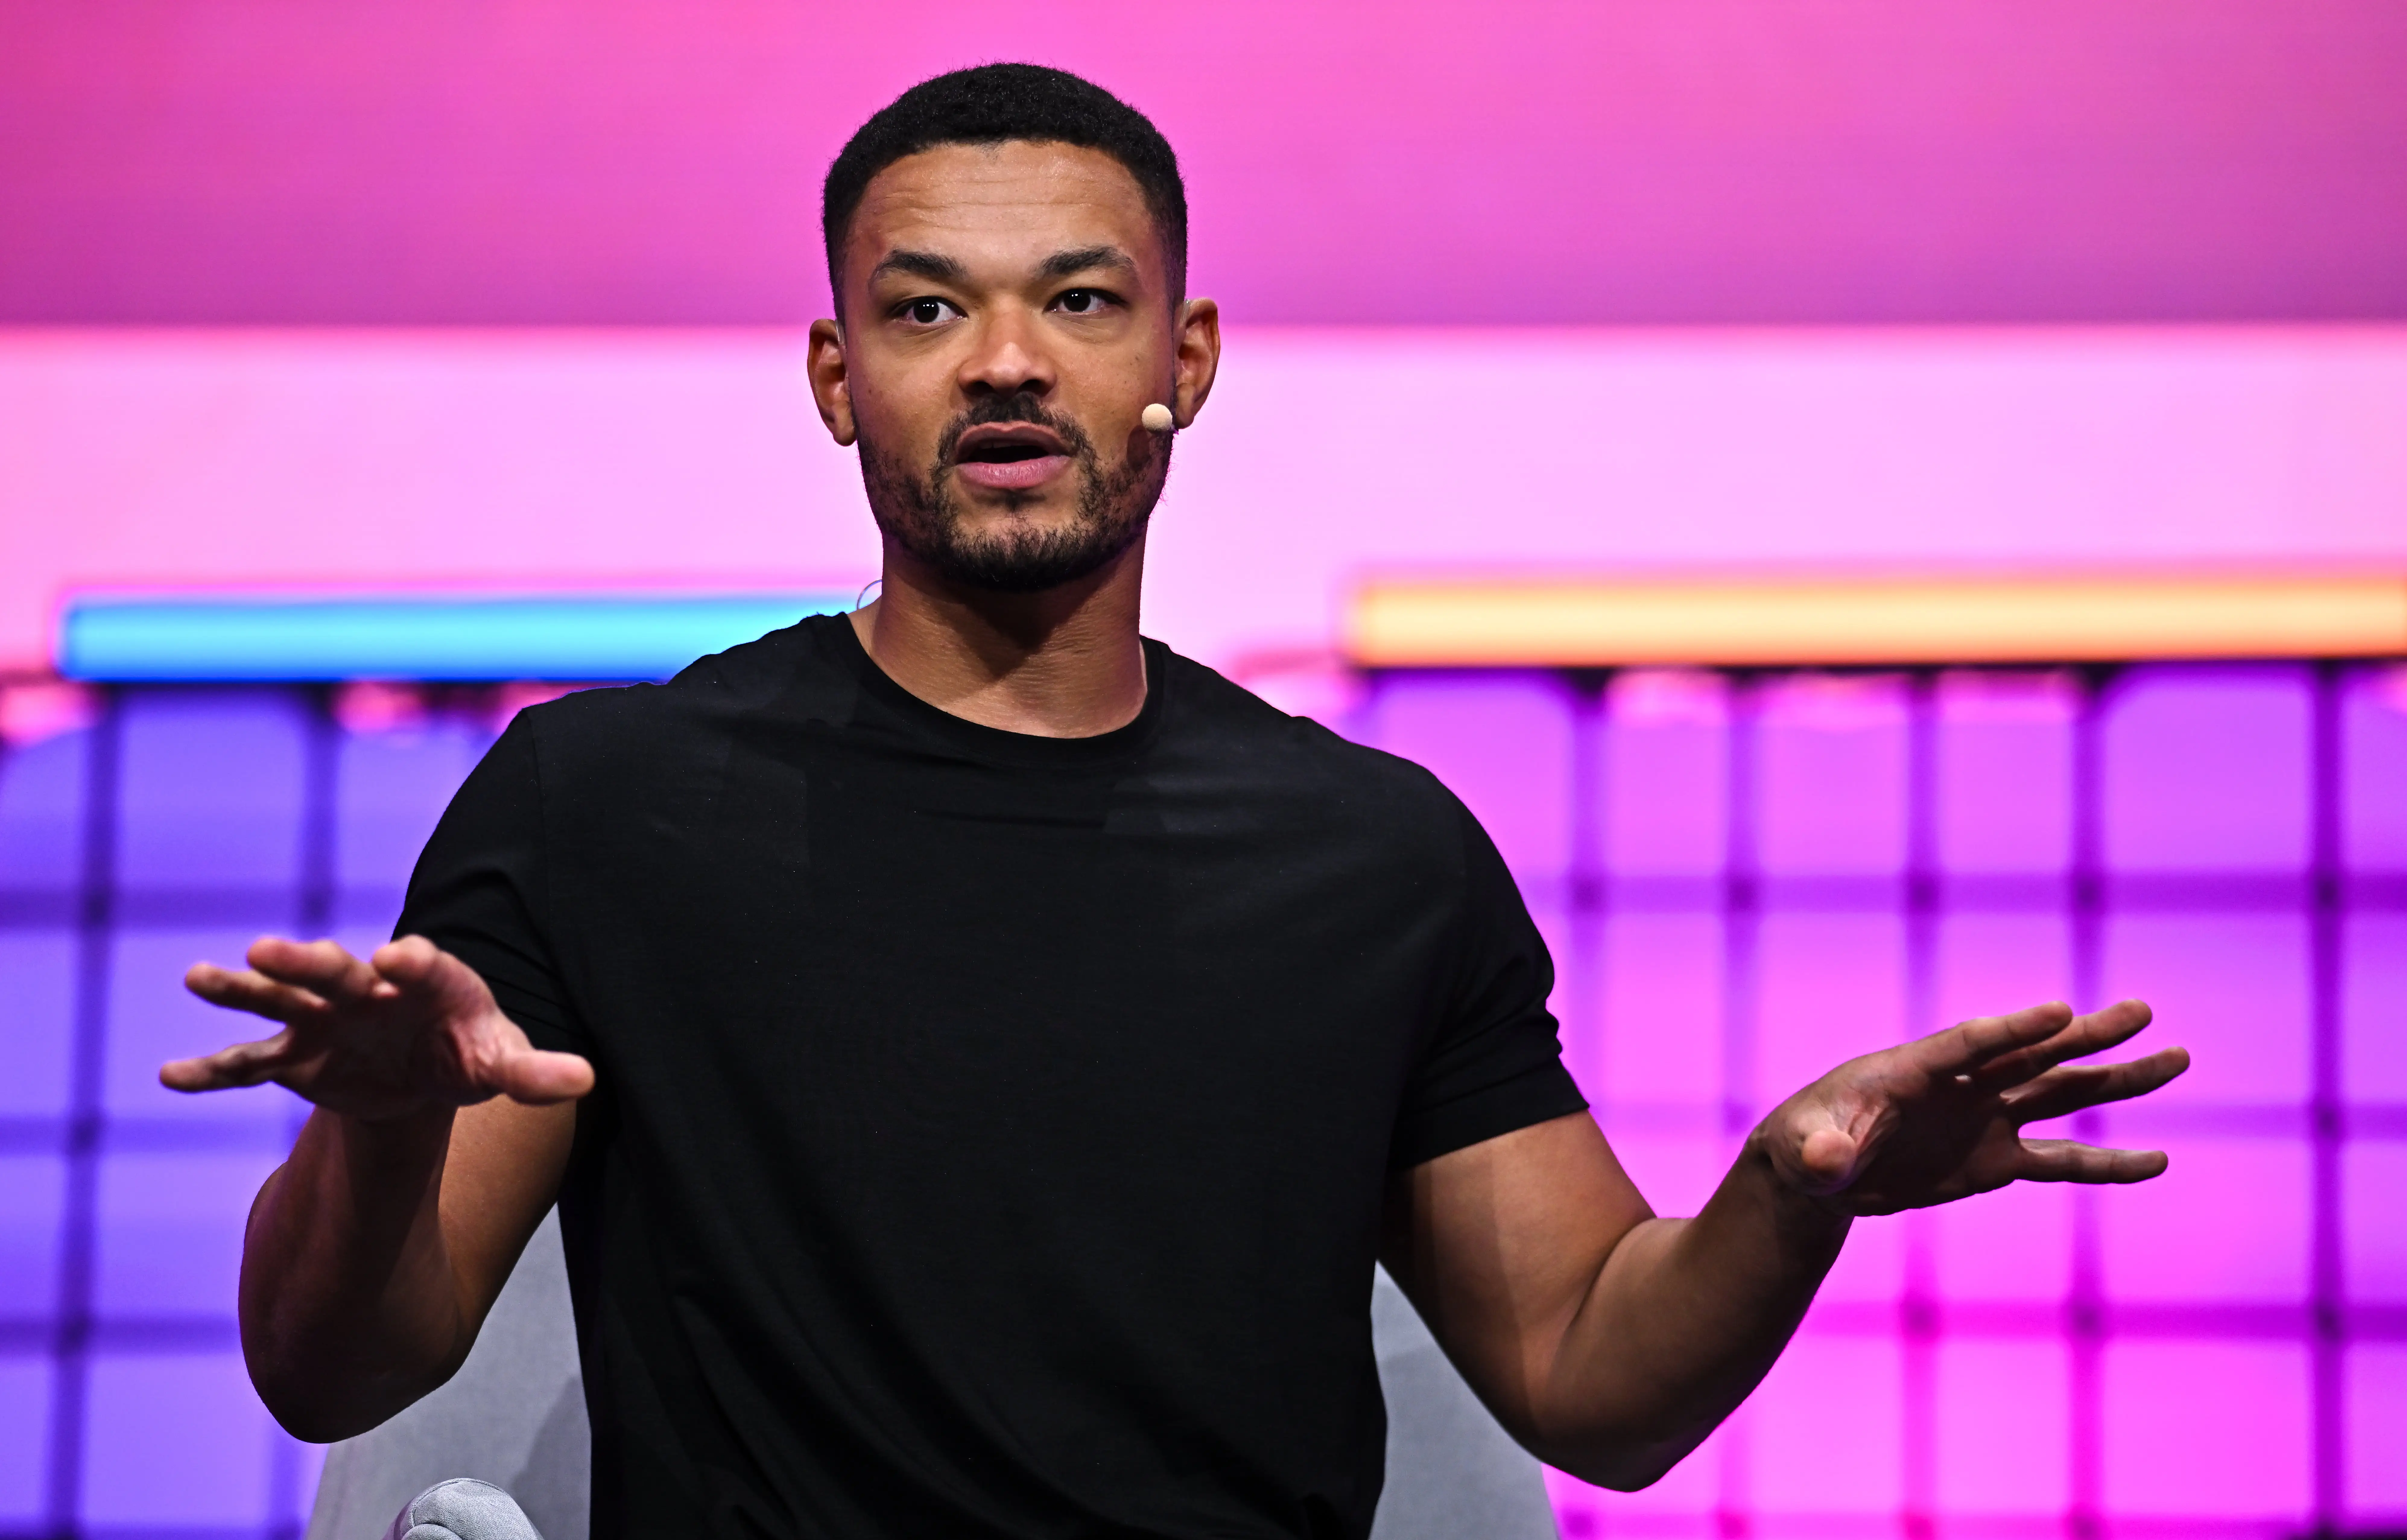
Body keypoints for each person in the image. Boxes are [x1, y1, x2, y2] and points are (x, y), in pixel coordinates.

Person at [164, 64, 2188, 1540]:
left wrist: (1789, 1190)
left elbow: (1597, 1381)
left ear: (1187, 356)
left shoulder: (1370, 856)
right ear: (832, 372)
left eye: (1079, 297)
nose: (1004, 365)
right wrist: (383, 1121)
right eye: (925, 308)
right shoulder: (608, 800)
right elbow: (339, 1368)